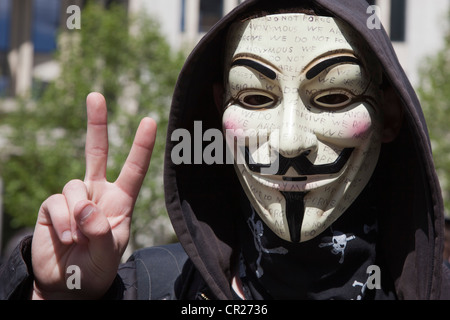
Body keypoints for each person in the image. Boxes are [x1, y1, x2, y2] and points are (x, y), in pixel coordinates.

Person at [1, 0, 450, 300]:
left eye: (333, 97)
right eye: (255, 98)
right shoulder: (153, 289)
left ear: (390, 116)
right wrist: (55, 295)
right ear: (220, 111)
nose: (290, 141)